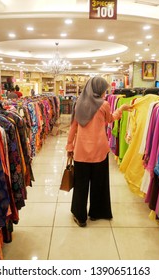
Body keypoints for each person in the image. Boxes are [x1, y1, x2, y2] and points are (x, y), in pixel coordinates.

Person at [66, 76, 132, 227]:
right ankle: (97, 212)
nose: (104, 92)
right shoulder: (104, 105)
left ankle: (80, 216)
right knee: (99, 184)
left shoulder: (78, 104)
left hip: (81, 151)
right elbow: (110, 119)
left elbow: (73, 127)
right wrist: (121, 109)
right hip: (100, 151)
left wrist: (70, 146)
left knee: (80, 185)